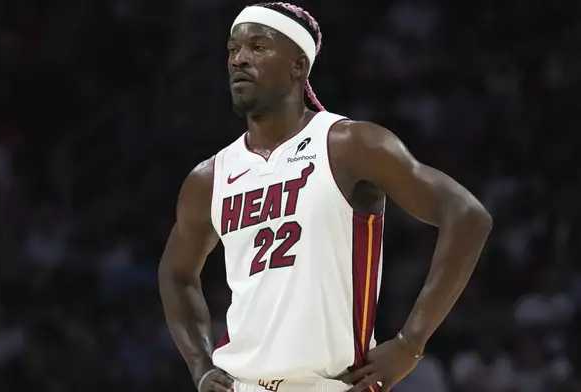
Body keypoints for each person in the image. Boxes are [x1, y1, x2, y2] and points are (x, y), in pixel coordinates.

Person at [158, 2, 493, 392]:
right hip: (242, 384)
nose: (239, 59)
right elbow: (175, 273)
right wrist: (200, 365)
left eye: (258, 47)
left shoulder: (349, 145)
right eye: (233, 49)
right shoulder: (210, 176)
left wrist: (410, 342)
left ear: (299, 66)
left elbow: (467, 215)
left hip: (335, 384)